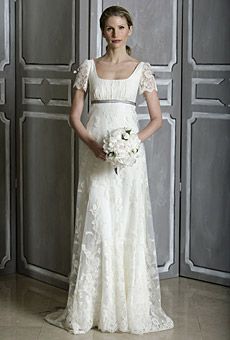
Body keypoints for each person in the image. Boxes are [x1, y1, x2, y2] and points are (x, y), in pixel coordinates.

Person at [44, 5, 174, 335]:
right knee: (97, 221)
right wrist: (91, 144)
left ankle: (127, 308)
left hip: (129, 158)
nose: (114, 33)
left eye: (120, 27)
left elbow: (157, 119)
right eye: (109, 28)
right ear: (103, 32)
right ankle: (91, 308)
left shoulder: (141, 69)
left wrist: (132, 143)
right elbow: (75, 115)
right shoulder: (88, 68)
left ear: (130, 30)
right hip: (95, 153)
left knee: (127, 222)